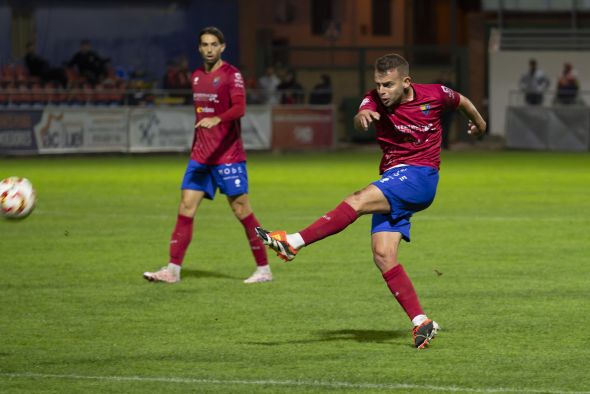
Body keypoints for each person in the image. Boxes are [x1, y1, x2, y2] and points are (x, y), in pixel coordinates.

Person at [255, 53, 486, 349]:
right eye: (378, 84)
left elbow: (462, 100)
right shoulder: (373, 100)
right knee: (383, 254)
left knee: (358, 199)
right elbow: (362, 110)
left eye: (388, 85)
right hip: (394, 178)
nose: (382, 91)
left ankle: (294, 242)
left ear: (406, 82)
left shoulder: (435, 94)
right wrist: (360, 115)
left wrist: (479, 123)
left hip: (420, 177)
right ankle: (421, 322)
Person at [143, 26, 271, 284]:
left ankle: (264, 268)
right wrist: (197, 142)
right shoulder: (197, 76)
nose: (209, 49)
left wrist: (218, 119)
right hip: (201, 156)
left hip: (228, 156)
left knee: (242, 210)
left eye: (214, 44)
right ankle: (172, 270)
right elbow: (200, 117)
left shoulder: (231, 75)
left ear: (223, 47)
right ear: (199, 48)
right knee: (186, 207)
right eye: (205, 45)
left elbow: (240, 108)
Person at [433, 70, 455, 149]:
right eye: (443, 75)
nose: (444, 77)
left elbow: (455, 98)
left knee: (447, 129)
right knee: (437, 129)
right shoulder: (435, 85)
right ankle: (437, 145)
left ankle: (445, 145)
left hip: (448, 112)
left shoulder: (450, 86)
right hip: (438, 111)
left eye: (446, 76)